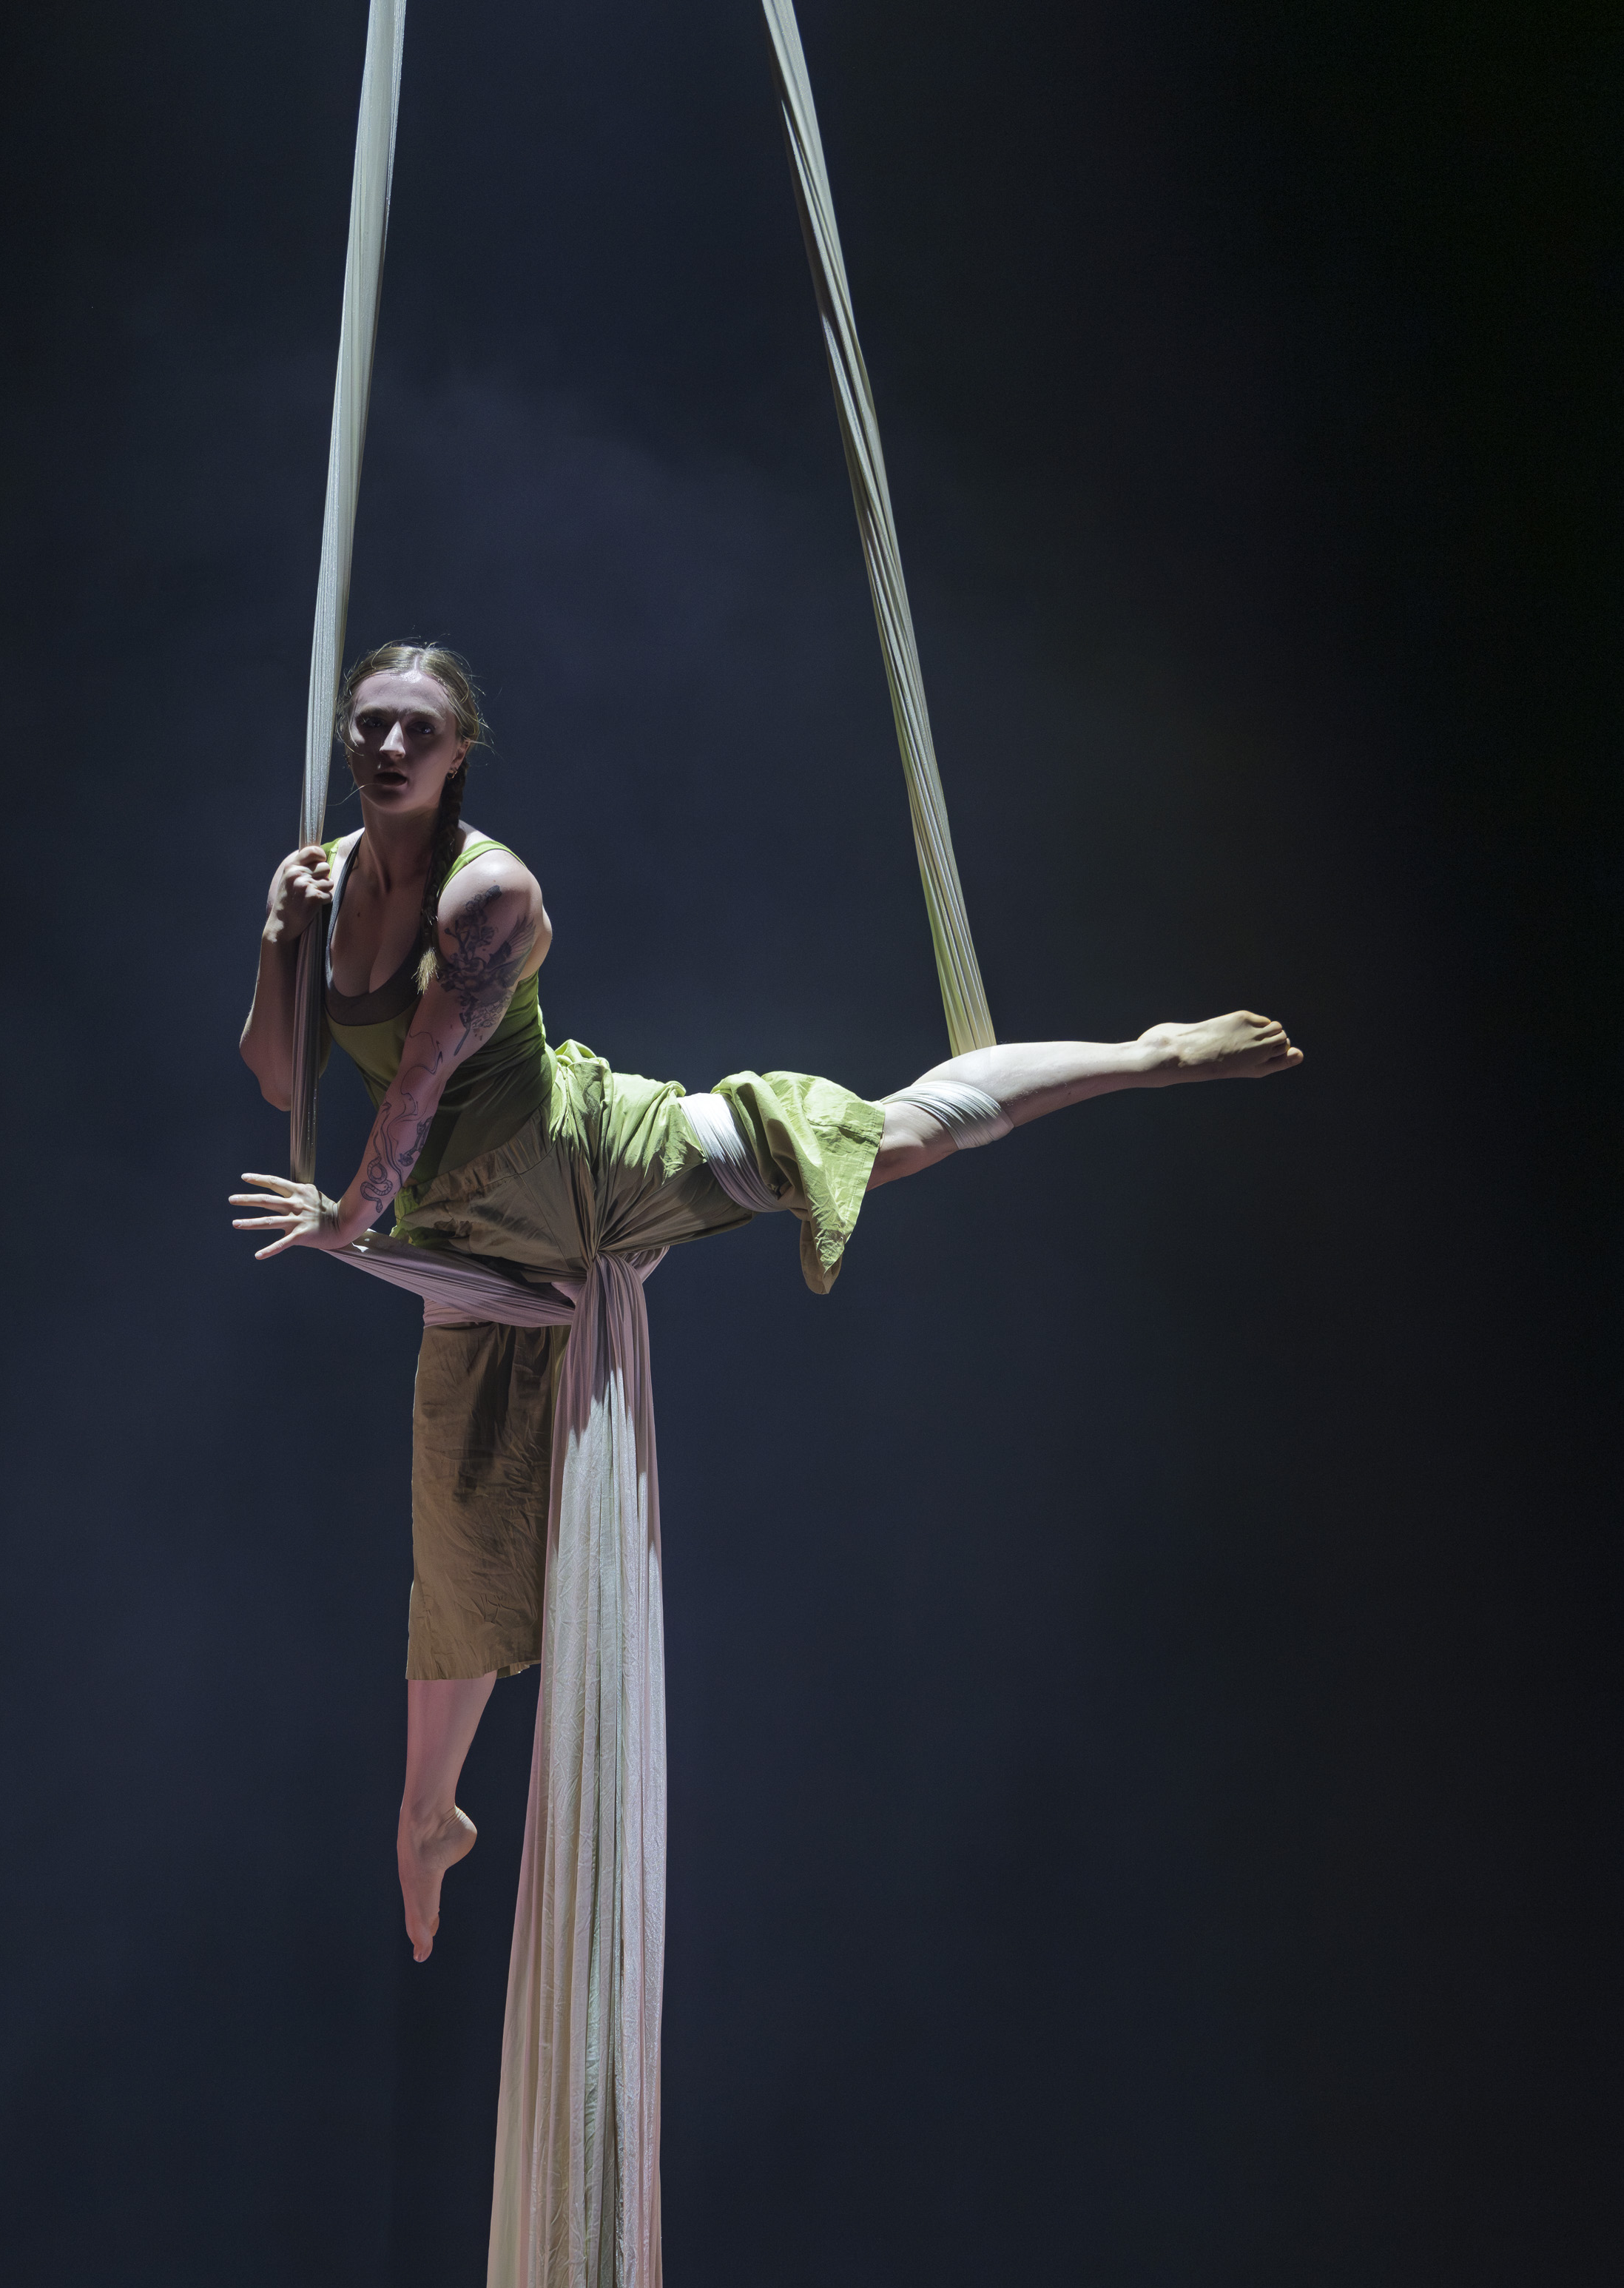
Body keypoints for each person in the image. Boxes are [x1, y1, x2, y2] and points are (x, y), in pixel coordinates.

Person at [233, 642, 1301, 1962]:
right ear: (347, 737)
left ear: (460, 755)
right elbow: (281, 1076)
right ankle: (427, 1815)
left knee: (871, 1139)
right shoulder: (324, 881)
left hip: (583, 1165)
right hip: (467, 1234)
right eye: (371, 726)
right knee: (458, 1521)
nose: (389, 748)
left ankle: (1146, 1054)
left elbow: (414, 1088)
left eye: (418, 730)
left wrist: (350, 1218)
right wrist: (279, 937)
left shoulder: (489, 893)